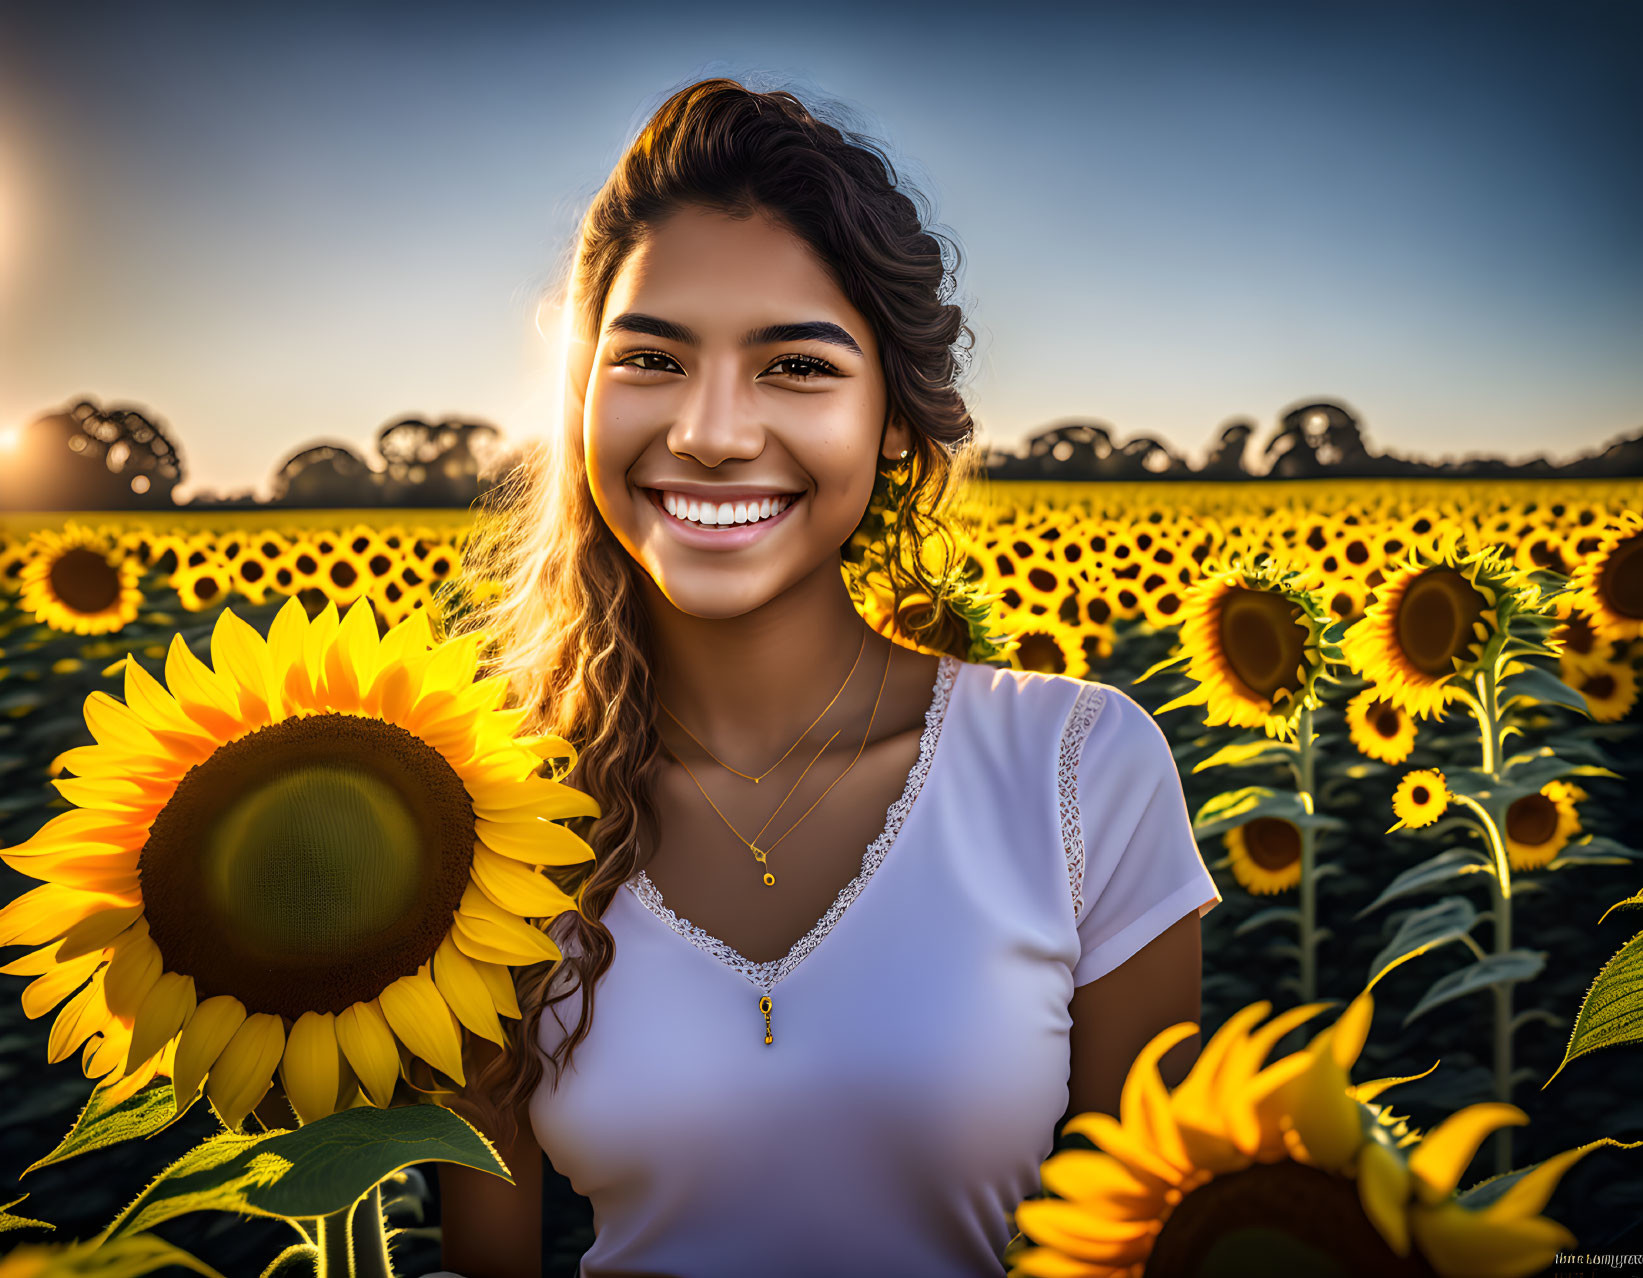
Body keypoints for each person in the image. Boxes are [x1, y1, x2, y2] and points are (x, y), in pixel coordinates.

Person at [433, 76, 1220, 1278]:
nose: (708, 430)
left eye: (793, 367)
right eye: (650, 358)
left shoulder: (1072, 770)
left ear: (894, 420)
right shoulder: (489, 813)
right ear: (582, 397)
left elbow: (1150, 1236)